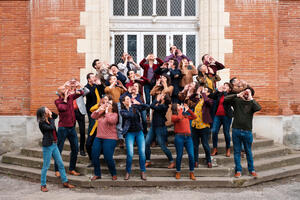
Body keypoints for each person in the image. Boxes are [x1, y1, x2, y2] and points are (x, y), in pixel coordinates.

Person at [224, 88, 261, 178]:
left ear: (251, 94)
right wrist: (237, 95)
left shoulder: (252, 103)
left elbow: (258, 108)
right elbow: (225, 99)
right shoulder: (237, 101)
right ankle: (238, 170)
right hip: (236, 130)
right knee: (237, 151)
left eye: (248, 92)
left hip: (247, 131)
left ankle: (251, 170)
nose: (246, 93)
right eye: (245, 92)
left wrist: (251, 98)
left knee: (248, 151)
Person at [37, 107, 75, 192]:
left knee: (60, 164)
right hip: (48, 146)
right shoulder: (42, 123)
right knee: (46, 166)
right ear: (43, 113)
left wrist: (50, 114)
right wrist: (50, 118)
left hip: (54, 144)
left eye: (48, 109)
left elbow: (55, 115)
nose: (49, 110)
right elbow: (52, 127)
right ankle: (43, 185)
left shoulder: (50, 119)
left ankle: (65, 182)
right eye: (47, 110)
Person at [54, 85, 84, 177]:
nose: (65, 90)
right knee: (59, 149)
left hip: (71, 127)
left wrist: (77, 89)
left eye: (65, 88)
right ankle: (57, 169)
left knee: (75, 148)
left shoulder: (71, 97)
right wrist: (66, 98)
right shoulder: (58, 101)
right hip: (63, 128)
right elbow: (62, 109)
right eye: (63, 89)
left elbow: (83, 93)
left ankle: (72, 169)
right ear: (59, 92)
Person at [120, 95, 149, 181]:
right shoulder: (122, 111)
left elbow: (147, 107)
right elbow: (130, 116)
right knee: (130, 154)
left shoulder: (135, 106)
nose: (129, 100)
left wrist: (138, 103)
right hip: (130, 133)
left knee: (142, 153)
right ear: (123, 102)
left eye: (129, 99)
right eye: (127, 99)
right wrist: (131, 106)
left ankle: (143, 172)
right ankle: (128, 172)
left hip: (139, 132)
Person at [90, 97, 119, 181]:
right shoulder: (102, 113)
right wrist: (99, 109)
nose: (107, 104)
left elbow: (111, 121)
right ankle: (97, 174)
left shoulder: (115, 114)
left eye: (109, 103)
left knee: (108, 157)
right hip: (98, 137)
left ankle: (113, 173)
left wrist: (106, 112)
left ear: (113, 107)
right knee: (94, 155)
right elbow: (93, 116)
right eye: (107, 103)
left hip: (110, 139)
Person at [145, 93, 174, 168]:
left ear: (164, 98)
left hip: (160, 127)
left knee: (162, 145)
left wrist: (156, 99)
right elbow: (152, 106)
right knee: (146, 143)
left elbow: (151, 106)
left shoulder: (164, 106)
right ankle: (148, 160)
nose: (161, 95)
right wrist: (157, 101)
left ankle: (172, 161)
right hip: (153, 126)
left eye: (162, 95)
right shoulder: (159, 104)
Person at [171, 103, 197, 180]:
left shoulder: (185, 115)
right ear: (175, 108)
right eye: (178, 105)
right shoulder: (174, 116)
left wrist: (188, 109)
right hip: (179, 137)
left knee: (191, 155)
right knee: (179, 155)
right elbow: (178, 118)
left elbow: (194, 116)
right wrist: (181, 110)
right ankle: (178, 171)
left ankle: (191, 172)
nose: (180, 106)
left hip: (188, 138)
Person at [65, 78, 90, 157]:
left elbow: (87, 91)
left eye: (74, 82)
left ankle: (82, 149)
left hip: (80, 112)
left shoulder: (79, 91)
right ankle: (73, 149)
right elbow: (58, 92)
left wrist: (79, 84)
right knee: (71, 132)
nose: (72, 83)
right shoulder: (67, 92)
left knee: (82, 131)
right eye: (71, 82)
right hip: (71, 113)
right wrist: (66, 84)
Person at [190, 85, 214, 168]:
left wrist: (203, 93)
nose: (203, 92)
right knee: (195, 145)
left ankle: (209, 160)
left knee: (205, 144)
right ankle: (195, 161)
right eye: (203, 91)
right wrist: (197, 92)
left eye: (206, 91)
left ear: (208, 93)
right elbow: (191, 98)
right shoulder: (198, 100)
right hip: (195, 125)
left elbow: (207, 102)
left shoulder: (210, 101)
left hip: (204, 126)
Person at [85, 73, 105, 167]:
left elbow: (103, 92)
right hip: (92, 112)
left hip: (101, 112)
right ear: (89, 79)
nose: (95, 78)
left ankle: (101, 153)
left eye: (95, 77)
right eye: (93, 77)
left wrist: (99, 84)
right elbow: (90, 93)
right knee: (91, 136)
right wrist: (96, 84)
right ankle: (92, 159)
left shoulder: (97, 86)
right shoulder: (87, 87)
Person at [209, 83, 233, 157]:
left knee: (226, 132)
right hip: (217, 115)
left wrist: (224, 92)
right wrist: (217, 91)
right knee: (214, 131)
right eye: (224, 85)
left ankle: (228, 149)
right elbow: (211, 96)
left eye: (226, 86)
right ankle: (215, 149)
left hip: (226, 116)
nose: (224, 86)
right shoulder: (219, 94)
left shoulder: (230, 95)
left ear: (229, 88)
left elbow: (227, 99)